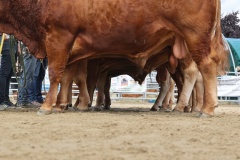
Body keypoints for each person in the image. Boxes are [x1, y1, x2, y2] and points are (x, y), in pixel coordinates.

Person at [16, 43, 42, 108]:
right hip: (29, 48)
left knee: (28, 76)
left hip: (31, 47)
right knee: (26, 75)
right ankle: (22, 100)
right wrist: (28, 44)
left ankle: (24, 100)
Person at [0, 33, 15, 110]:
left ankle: (5, 99)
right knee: (4, 73)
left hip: (13, 42)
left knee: (8, 74)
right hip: (6, 42)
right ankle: (1, 100)